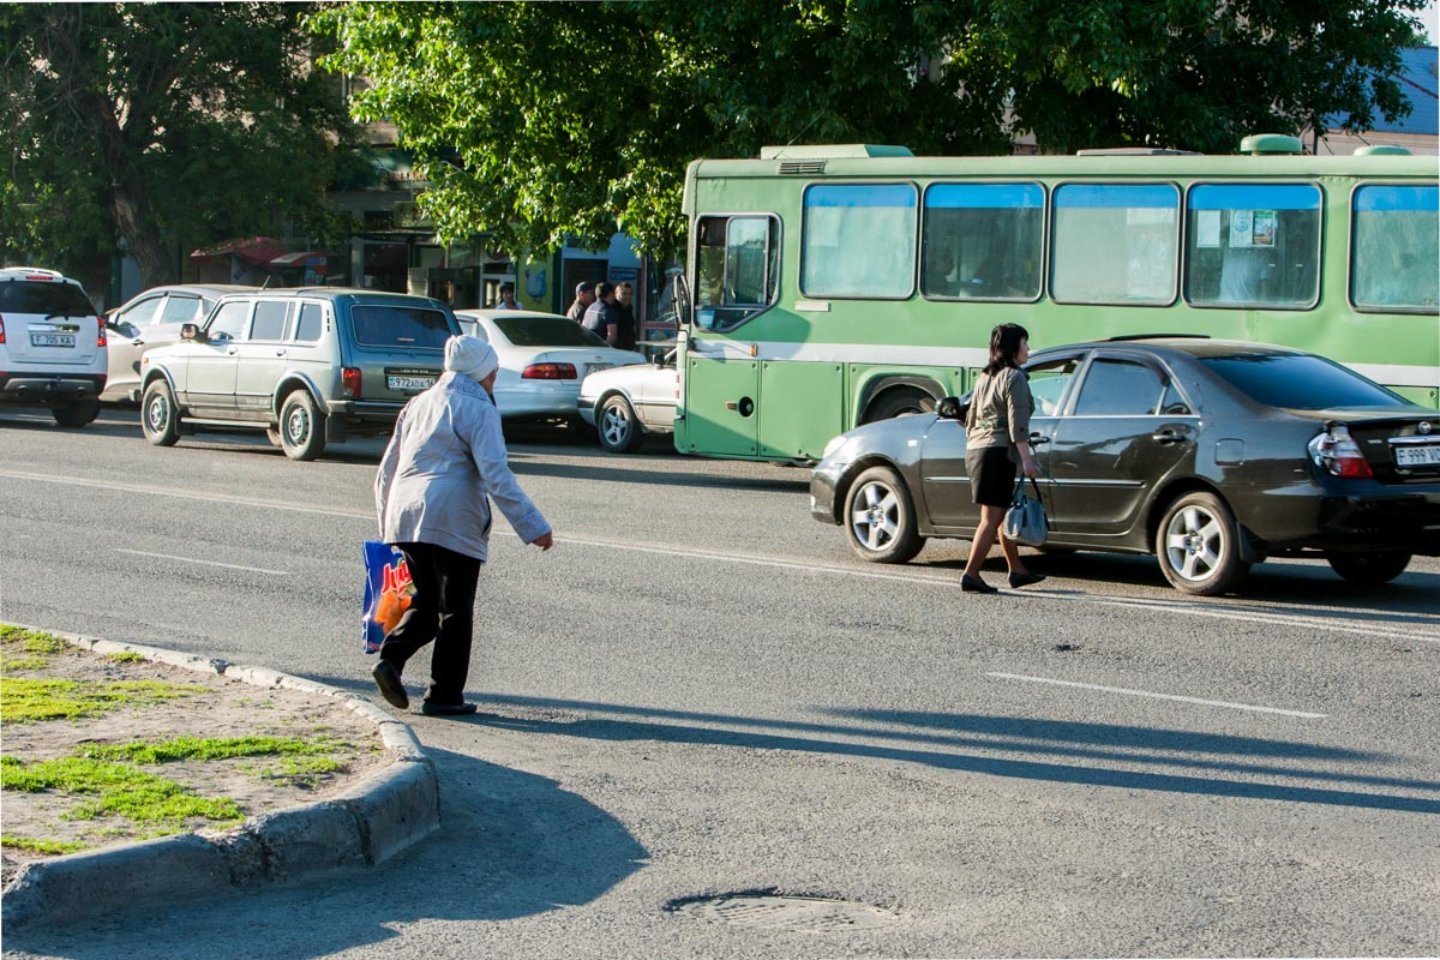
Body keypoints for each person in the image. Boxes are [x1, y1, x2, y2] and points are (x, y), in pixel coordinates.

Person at [372, 335, 554, 715]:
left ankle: (391, 659)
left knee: (424, 602)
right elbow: (495, 474)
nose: (494, 381)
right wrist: (532, 525)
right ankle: (444, 696)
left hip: (406, 514)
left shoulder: (418, 404)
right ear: (481, 372)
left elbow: (387, 469)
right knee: (455, 609)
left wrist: (387, 526)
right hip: (453, 518)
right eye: (492, 373)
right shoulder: (478, 407)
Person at [959, 323, 1045, 594]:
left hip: (977, 451)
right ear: (1012, 347)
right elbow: (1017, 422)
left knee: (1002, 513)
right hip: (997, 453)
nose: (1028, 348)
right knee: (992, 517)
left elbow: (969, 420)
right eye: (1024, 343)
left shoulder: (984, 378)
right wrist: (1027, 460)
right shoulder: (1014, 377)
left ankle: (1017, 570)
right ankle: (971, 574)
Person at [582, 280, 620, 345]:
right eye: (614, 293)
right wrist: (603, 348)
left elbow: (583, 327)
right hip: (600, 351)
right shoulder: (608, 311)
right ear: (610, 294)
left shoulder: (590, 307)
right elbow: (612, 337)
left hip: (588, 347)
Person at [613, 281, 637, 350]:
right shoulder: (612, 310)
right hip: (617, 350)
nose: (628, 297)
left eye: (630, 294)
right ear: (616, 293)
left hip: (628, 349)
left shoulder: (629, 308)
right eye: (624, 294)